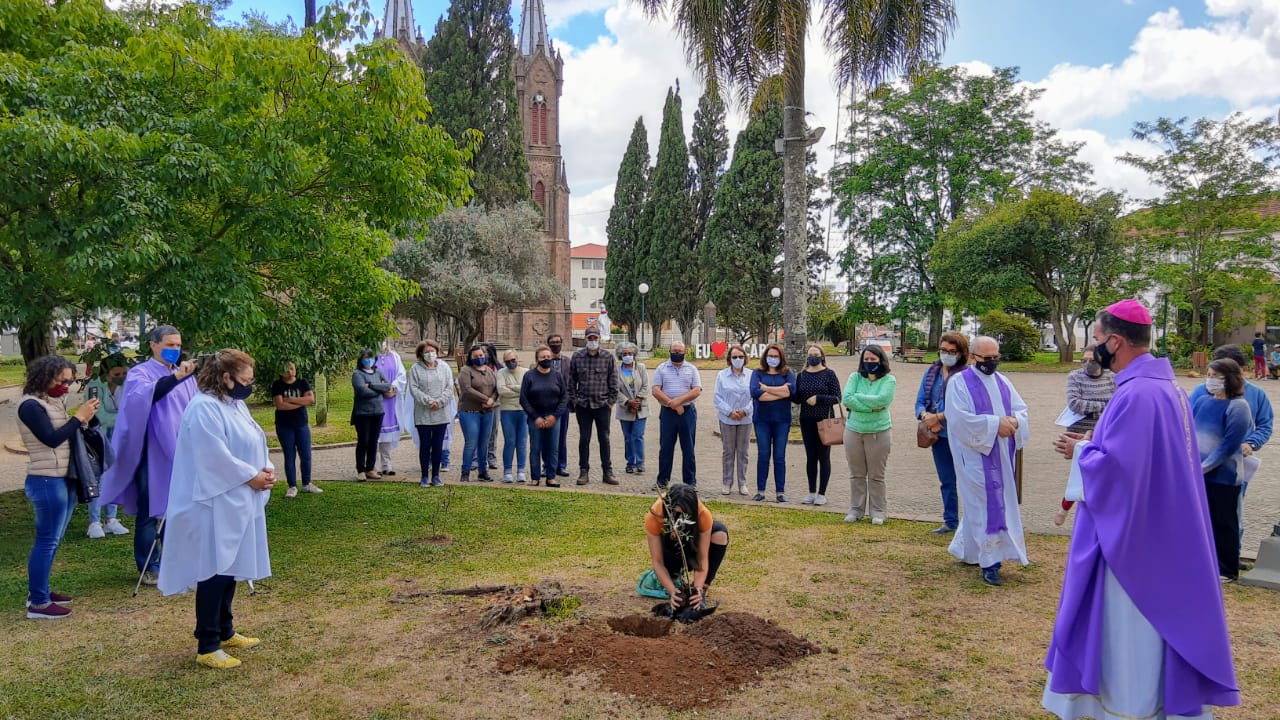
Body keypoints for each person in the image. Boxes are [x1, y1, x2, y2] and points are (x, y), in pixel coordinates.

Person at [1044, 300, 1238, 718]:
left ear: (1115, 341)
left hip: (1133, 542)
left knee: (1129, 628)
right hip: (1163, 528)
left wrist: (1080, 452)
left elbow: (1120, 473)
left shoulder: (1136, 394)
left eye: (1096, 339)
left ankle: (1126, 705)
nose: (1094, 349)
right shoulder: (1167, 389)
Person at [158, 349, 274, 670]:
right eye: (245, 380)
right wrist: (251, 476)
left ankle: (226, 628)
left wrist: (265, 469)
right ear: (226, 377)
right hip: (211, 503)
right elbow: (213, 456)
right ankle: (207, 643)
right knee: (214, 570)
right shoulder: (203, 408)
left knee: (230, 568)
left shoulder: (235, 404)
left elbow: (255, 442)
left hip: (237, 500)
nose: (249, 386)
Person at [100, 325, 198, 587]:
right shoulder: (140, 373)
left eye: (178, 346)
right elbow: (145, 397)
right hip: (151, 452)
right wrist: (176, 377)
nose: (174, 350)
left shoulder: (186, 376)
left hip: (180, 451)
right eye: (169, 345)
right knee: (151, 508)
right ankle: (149, 564)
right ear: (153, 345)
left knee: (177, 508)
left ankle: (175, 561)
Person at [18, 356, 100, 618]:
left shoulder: (52, 402)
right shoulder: (30, 406)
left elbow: (65, 435)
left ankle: (40, 590)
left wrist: (84, 421)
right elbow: (51, 439)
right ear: (44, 376)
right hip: (45, 480)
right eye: (62, 380)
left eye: (69, 380)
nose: (66, 385)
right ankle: (38, 604)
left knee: (54, 540)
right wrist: (78, 419)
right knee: (46, 540)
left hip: (62, 477)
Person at [944, 336, 1028, 586]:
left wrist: (1015, 422)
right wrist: (994, 425)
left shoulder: (1003, 381)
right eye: (986, 358)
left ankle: (968, 550)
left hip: (1002, 455)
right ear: (972, 357)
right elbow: (958, 419)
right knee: (984, 506)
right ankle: (991, 561)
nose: (992, 363)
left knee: (983, 505)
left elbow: (1020, 408)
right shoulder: (959, 383)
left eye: (995, 357)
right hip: (975, 457)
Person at [1189, 343, 1273, 553]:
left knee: (1231, 511)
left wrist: (1251, 443)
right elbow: (1187, 423)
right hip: (1201, 464)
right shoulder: (1202, 392)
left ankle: (1231, 555)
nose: (1216, 379)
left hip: (1232, 465)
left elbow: (1265, 424)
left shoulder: (1255, 395)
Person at [1192, 358, 1252, 582]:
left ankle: (1227, 569)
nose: (1210, 380)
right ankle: (1205, 564)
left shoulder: (1239, 406)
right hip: (1199, 474)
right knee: (1202, 521)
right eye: (1208, 375)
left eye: (1215, 376)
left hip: (1224, 476)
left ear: (1229, 379)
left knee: (1224, 523)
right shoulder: (1202, 401)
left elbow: (1229, 445)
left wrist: (1203, 467)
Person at [1054, 344, 1116, 525]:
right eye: (1084, 360)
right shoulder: (1075, 377)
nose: (1088, 364)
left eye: (1092, 360)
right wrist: (1103, 406)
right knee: (1080, 474)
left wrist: (1095, 407)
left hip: (1104, 432)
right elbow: (1075, 404)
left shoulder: (1112, 377)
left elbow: (1117, 404)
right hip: (1079, 432)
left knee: (1101, 476)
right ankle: (1064, 509)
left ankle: (1097, 513)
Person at [644, 483, 729, 611]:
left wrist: (698, 587)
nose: (679, 519)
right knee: (669, 573)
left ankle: (702, 590)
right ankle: (673, 578)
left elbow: (702, 557)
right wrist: (672, 591)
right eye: (675, 514)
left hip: (693, 545)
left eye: (683, 514)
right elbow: (657, 561)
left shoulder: (703, 514)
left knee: (720, 534)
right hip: (671, 550)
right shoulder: (655, 514)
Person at [915, 332, 968, 535]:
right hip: (938, 436)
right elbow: (920, 401)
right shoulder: (932, 373)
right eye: (943, 350)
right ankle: (950, 521)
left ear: (961, 353)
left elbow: (964, 407)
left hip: (960, 435)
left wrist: (940, 418)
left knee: (968, 480)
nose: (946, 355)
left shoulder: (966, 376)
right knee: (946, 480)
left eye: (951, 351)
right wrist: (926, 416)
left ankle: (970, 521)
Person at [842, 344, 897, 524]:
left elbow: (883, 400)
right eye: (866, 359)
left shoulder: (889, 380)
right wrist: (872, 408)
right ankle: (856, 509)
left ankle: (878, 511)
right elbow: (847, 398)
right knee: (856, 473)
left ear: (881, 360)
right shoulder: (855, 377)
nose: (869, 362)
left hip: (879, 432)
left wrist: (859, 400)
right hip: (853, 430)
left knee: (876, 475)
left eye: (873, 359)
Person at [83, 354, 130, 538]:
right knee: (98, 478)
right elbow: (98, 415)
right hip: (97, 435)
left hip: (118, 436)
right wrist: (125, 419)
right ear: (106, 374)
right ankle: (94, 522)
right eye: (117, 373)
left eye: (124, 373)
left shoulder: (126, 385)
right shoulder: (95, 386)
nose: (122, 376)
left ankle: (111, 519)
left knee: (114, 476)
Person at [792, 345, 842, 506]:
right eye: (810, 354)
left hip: (824, 421)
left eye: (816, 354)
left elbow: (837, 397)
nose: (813, 357)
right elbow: (798, 398)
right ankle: (811, 491)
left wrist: (818, 398)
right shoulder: (802, 375)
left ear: (822, 356)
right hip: (806, 420)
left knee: (823, 456)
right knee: (810, 457)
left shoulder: (829, 374)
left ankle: (822, 493)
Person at [569, 324, 618, 485]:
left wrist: (611, 402)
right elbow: (571, 381)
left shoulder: (608, 357)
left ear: (599, 339)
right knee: (584, 439)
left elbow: (614, 382)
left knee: (604, 438)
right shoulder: (577, 357)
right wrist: (575, 401)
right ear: (586, 339)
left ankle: (607, 472)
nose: (592, 340)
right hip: (583, 405)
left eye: (595, 338)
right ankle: (584, 471)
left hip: (603, 405)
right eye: (589, 338)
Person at [651, 341, 702, 490]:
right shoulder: (661, 368)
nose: (677, 353)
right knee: (666, 447)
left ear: (685, 352)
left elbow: (697, 390)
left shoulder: (692, 369)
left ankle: (690, 482)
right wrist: (671, 403)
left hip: (687, 413)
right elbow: (655, 390)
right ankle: (662, 481)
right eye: (675, 351)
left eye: (680, 351)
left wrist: (679, 401)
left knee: (688, 448)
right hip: (667, 413)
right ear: (669, 351)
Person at [750, 343, 795, 503]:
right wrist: (781, 391)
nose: (773, 359)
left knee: (779, 456)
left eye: (776, 356)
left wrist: (767, 389)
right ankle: (760, 491)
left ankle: (780, 492)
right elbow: (756, 393)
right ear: (765, 357)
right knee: (763, 455)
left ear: (781, 357)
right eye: (770, 356)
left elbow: (792, 392)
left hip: (782, 421)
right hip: (762, 421)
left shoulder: (787, 373)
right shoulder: (758, 373)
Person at [407, 340, 454, 487]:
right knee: (425, 445)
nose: (430, 354)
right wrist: (429, 402)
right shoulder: (415, 369)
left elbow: (449, 387)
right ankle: (424, 476)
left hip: (441, 413)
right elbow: (414, 389)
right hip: (423, 413)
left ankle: (436, 475)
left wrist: (439, 402)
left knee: (438, 445)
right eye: (426, 351)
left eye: (432, 351)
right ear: (421, 353)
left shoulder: (444, 367)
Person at [521, 345, 569, 487]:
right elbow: (523, 399)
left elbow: (564, 397)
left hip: (553, 418)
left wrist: (554, 416)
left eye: (548, 357)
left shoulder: (557, 375)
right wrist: (535, 417)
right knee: (535, 448)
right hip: (535, 418)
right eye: (543, 357)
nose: (546, 359)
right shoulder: (529, 376)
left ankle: (551, 477)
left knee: (553, 448)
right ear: (537, 359)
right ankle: (535, 477)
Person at [270, 361, 319, 498]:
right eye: (287, 369)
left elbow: (311, 400)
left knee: (306, 455)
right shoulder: (278, 385)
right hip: (284, 425)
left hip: (301, 424)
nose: (290, 371)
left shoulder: (302, 383)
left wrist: (291, 399)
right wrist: (301, 401)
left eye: (292, 368)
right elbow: (280, 405)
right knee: (289, 455)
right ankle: (292, 486)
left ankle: (307, 483)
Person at [713, 345, 752, 496]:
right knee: (728, 452)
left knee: (743, 452)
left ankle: (742, 483)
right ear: (729, 358)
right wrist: (729, 411)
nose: (738, 360)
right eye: (734, 357)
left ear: (745, 358)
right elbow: (717, 397)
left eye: (740, 357)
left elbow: (755, 396)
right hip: (727, 419)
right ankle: (727, 482)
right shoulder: (721, 375)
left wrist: (745, 411)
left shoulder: (751, 375)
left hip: (745, 419)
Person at [351, 349, 394, 481]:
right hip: (362, 413)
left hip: (378, 412)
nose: (368, 360)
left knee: (373, 441)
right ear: (360, 360)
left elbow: (388, 387)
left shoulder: (379, 372)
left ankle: (370, 468)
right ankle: (361, 469)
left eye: (370, 358)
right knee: (363, 441)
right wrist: (379, 389)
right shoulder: (357, 374)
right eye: (365, 358)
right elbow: (362, 391)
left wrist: (370, 385)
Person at [457, 344, 498, 482]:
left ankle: (483, 471)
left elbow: (496, 388)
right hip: (469, 411)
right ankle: (465, 471)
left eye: (481, 355)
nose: (480, 358)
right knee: (471, 442)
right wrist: (486, 399)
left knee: (484, 443)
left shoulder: (489, 370)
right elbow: (467, 389)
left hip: (487, 412)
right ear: (470, 357)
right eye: (476, 356)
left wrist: (492, 399)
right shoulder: (465, 370)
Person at [614, 341, 650, 476]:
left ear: (634, 354)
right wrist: (628, 401)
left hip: (641, 408)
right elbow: (615, 390)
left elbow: (646, 386)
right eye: (624, 354)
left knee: (638, 436)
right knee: (628, 437)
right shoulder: (616, 370)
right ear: (620, 355)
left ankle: (640, 462)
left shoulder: (641, 367)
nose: (628, 356)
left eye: (630, 353)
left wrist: (638, 400)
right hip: (625, 408)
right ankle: (630, 463)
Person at [375, 342, 408, 477]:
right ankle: (372, 466)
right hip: (376, 400)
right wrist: (382, 389)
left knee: (387, 436)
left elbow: (402, 375)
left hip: (391, 400)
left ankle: (386, 465)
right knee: (374, 434)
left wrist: (392, 388)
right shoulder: (370, 355)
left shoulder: (395, 356)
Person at [496, 349, 529, 483]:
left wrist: (513, 387)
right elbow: (501, 390)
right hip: (507, 410)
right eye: (507, 361)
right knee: (509, 441)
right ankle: (507, 471)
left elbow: (528, 390)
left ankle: (521, 470)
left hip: (523, 410)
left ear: (518, 358)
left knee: (522, 442)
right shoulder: (501, 373)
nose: (511, 363)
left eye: (513, 360)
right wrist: (520, 390)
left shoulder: (526, 372)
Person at [546, 333, 572, 478]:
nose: (555, 344)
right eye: (552, 342)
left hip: (563, 405)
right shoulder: (544, 360)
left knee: (561, 436)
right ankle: (547, 465)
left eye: (558, 342)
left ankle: (561, 465)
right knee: (546, 437)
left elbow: (572, 382)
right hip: (546, 404)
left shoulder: (568, 361)